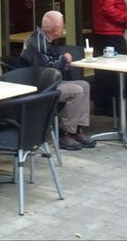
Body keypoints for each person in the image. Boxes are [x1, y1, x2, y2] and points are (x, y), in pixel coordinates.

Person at [21, 10, 96, 151]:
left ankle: (77, 129)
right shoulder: (38, 43)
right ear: (55, 30)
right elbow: (48, 70)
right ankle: (66, 134)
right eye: (62, 25)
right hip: (42, 87)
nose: (64, 28)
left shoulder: (45, 40)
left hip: (51, 82)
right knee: (77, 90)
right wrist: (64, 59)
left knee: (85, 85)